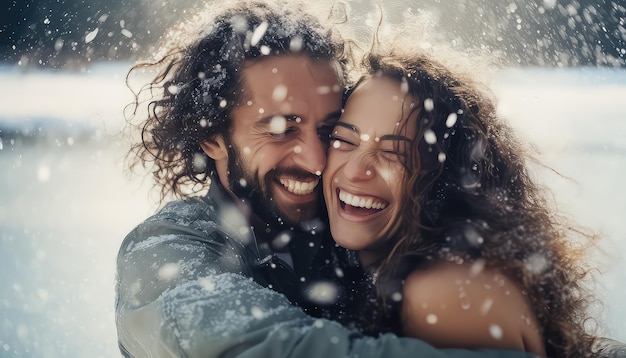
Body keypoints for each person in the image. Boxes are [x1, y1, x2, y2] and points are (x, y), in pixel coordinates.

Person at [115, 1, 539, 357]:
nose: (317, 160)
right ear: (211, 137)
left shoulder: (354, 227)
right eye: (282, 128)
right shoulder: (166, 251)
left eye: (329, 131)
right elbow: (259, 347)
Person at [322, 47, 622, 357]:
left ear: (447, 177)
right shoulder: (388, 267)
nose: (356, 171)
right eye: (344, 140)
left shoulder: (444, 291)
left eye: (395, 153)